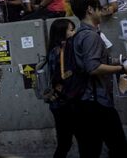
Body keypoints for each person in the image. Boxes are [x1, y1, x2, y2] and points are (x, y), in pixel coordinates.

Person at [70, 0, 127, 158]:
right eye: (99, 9)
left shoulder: (79, 35)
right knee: (119, 149)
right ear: (89, 10)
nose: (101, 13)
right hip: (96, 103)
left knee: (90, 151)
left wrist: (115, 62)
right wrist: (122, 69)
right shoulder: (90, 36)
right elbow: (93, 68)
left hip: (86, 102)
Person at [46, 19, 77, 158]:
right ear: (61, 33)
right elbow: (62, 77)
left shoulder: (55, 50)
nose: (74, 32)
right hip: (64, 102)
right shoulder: (59, 51)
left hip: (59, 102)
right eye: (71, 30)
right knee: (66, 142)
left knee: (65, 142)